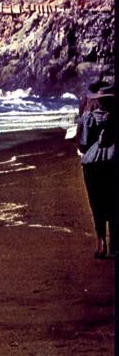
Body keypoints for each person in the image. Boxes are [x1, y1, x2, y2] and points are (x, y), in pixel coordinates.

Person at [76, 77, 116, 258]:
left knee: (97, 203)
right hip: (114, 161)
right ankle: (116, 243)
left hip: (93, 164)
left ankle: (101, 243)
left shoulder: (89, 118)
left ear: (98, 100)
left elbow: (83, 144)